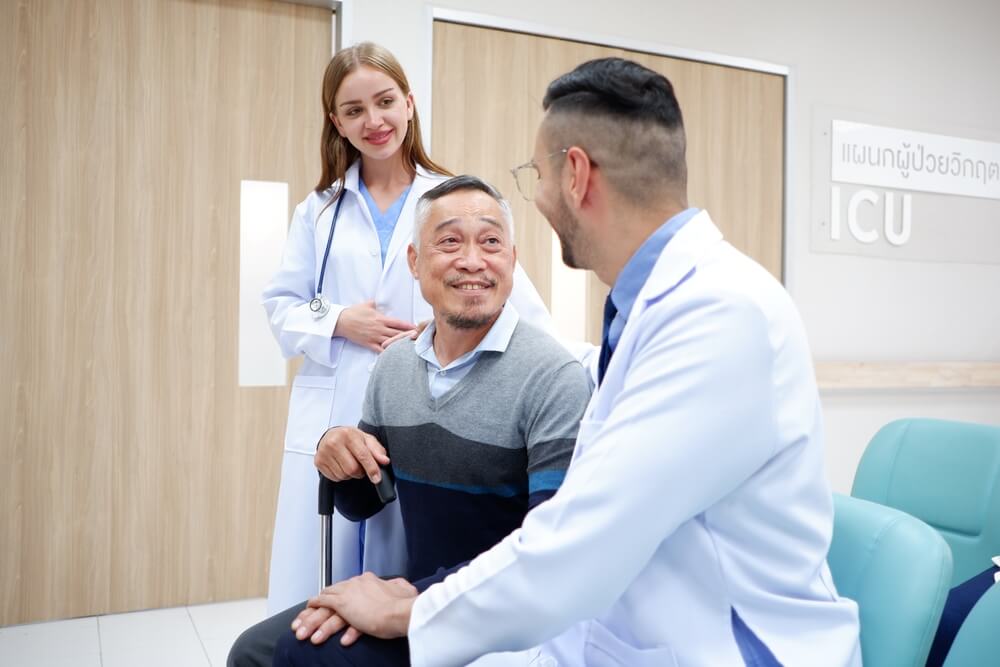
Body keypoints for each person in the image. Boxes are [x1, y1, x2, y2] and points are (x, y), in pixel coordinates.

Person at [287, 57, 863, 666]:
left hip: (730, 647)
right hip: (614, 628)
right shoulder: (647, 308)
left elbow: (581, 547)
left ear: (576, 176)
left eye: (535, 174)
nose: (534, 196)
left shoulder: (720, 315)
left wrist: (413, 608)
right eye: (448, 242)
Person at [230, 175, 590, 666]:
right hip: (415, 587)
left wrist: (414, 601)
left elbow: (551, 555)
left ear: (512, 259)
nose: (471, 260)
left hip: (499, 615)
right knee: (252, 650)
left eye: (490, 242)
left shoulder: (553, 378)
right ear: (415, 263)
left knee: (300, 654)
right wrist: (340, 456)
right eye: (448, 242)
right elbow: (364, 501)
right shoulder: (395, 367)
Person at [261, 43, 555, 615]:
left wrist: (446, 329)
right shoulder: (318, 209)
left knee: (407, 568)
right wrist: (342, 320)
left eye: (386, 101)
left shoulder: (449, 199)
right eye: (353, 110)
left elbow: (515, 303)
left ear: (410, 104)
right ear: (335, 122)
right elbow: (281, 307)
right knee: (321, 568)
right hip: (338, 406)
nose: (373, 121)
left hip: (424, 403)